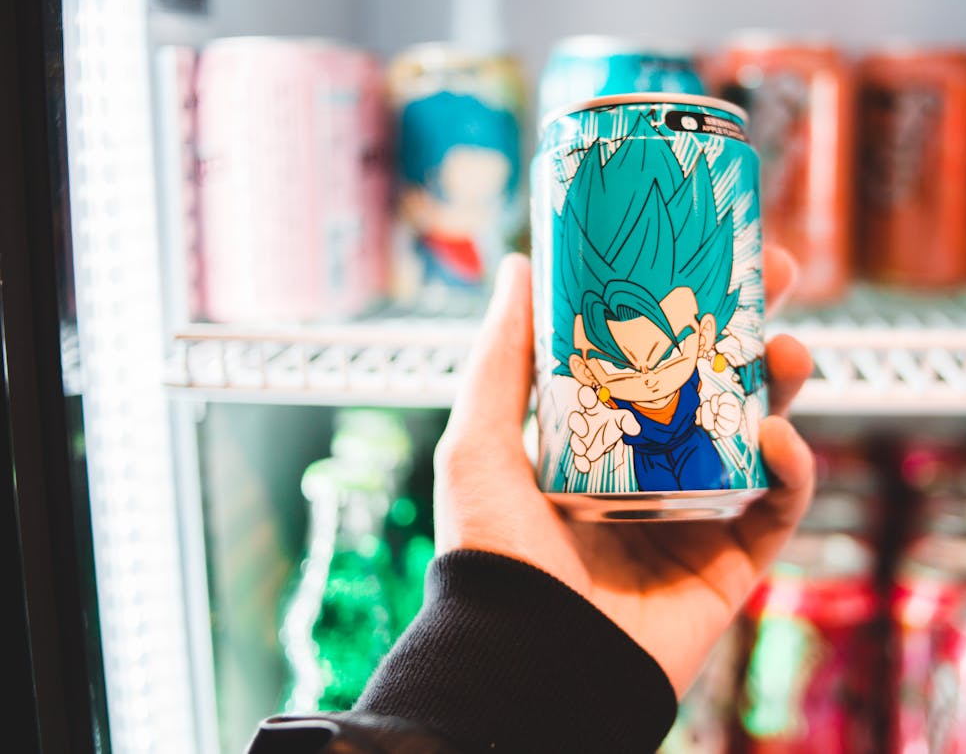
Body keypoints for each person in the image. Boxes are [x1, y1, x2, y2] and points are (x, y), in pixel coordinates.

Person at [247, 247, 815, 754]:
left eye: (666, 356)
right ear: (595, 367)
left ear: (696, 337)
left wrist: (507, 641)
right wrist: (516, 636)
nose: (649, 376)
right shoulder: (614, 413)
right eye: (626, 366)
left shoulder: (701, 386)